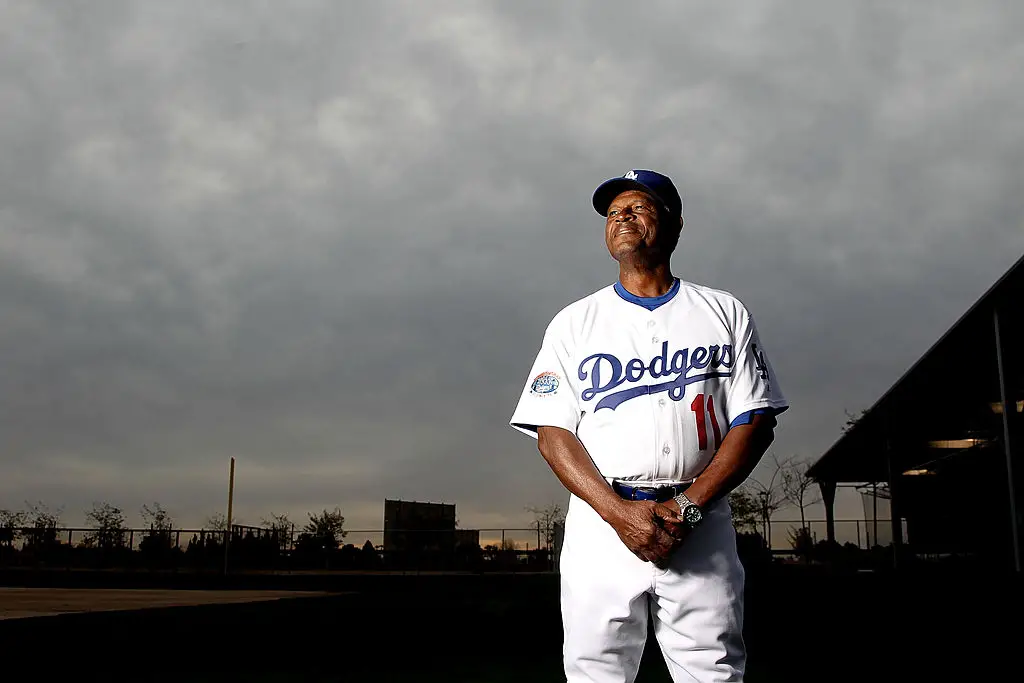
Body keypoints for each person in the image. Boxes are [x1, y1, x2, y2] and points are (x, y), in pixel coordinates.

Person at [509, 170, 788, 683]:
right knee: (595, 674)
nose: (623, 218)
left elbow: (754, 420)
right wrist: (618, 515)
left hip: (699, 520)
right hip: (601, 522)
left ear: (675, 226)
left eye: (639, 207)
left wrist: (687, 507)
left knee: (715, 672)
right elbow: (552, 433)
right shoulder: (575, 322)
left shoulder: (723, 311)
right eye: (614, 212)